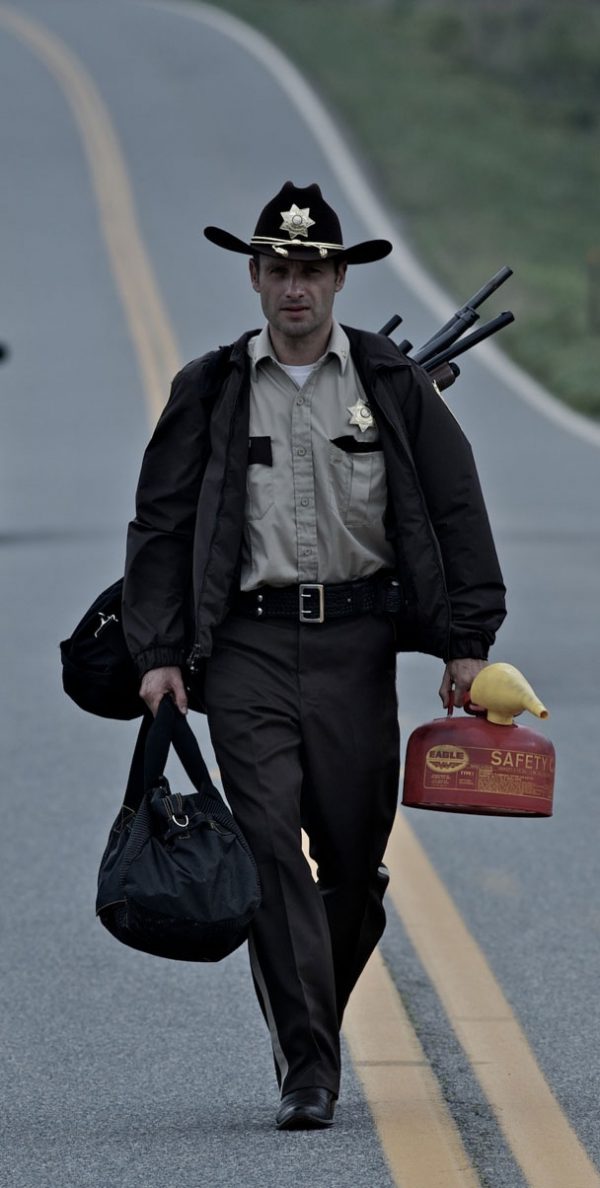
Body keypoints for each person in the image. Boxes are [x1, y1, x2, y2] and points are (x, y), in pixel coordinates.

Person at [122, 181, 506, 1130]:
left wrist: (468, 643)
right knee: (265, 844)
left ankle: (309, 1019)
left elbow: (456, 509)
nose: (297, 286)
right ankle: (309, 1066)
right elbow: (162, 525)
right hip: (246, 646)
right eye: (280, 269)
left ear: (338, 279)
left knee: (352, 854)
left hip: (358, 644)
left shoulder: (389, 382)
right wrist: (159, 652)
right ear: (256, 278)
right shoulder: (210, 387)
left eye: (314, 270)